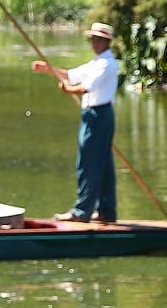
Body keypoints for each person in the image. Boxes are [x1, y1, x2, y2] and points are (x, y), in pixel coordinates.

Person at [32, 21, 121, 223]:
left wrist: (68, 91)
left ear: (107, 42)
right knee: (103, 164)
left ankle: (82, 212)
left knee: (88, 163)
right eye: (93, 40)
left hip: (98, 117)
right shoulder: (96, 63)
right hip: (95, 116)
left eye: (99, 40)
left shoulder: (107, 64)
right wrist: (48, 69)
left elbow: (85, 87)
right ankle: (106, 211)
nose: (95, 44)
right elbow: (72, 75)